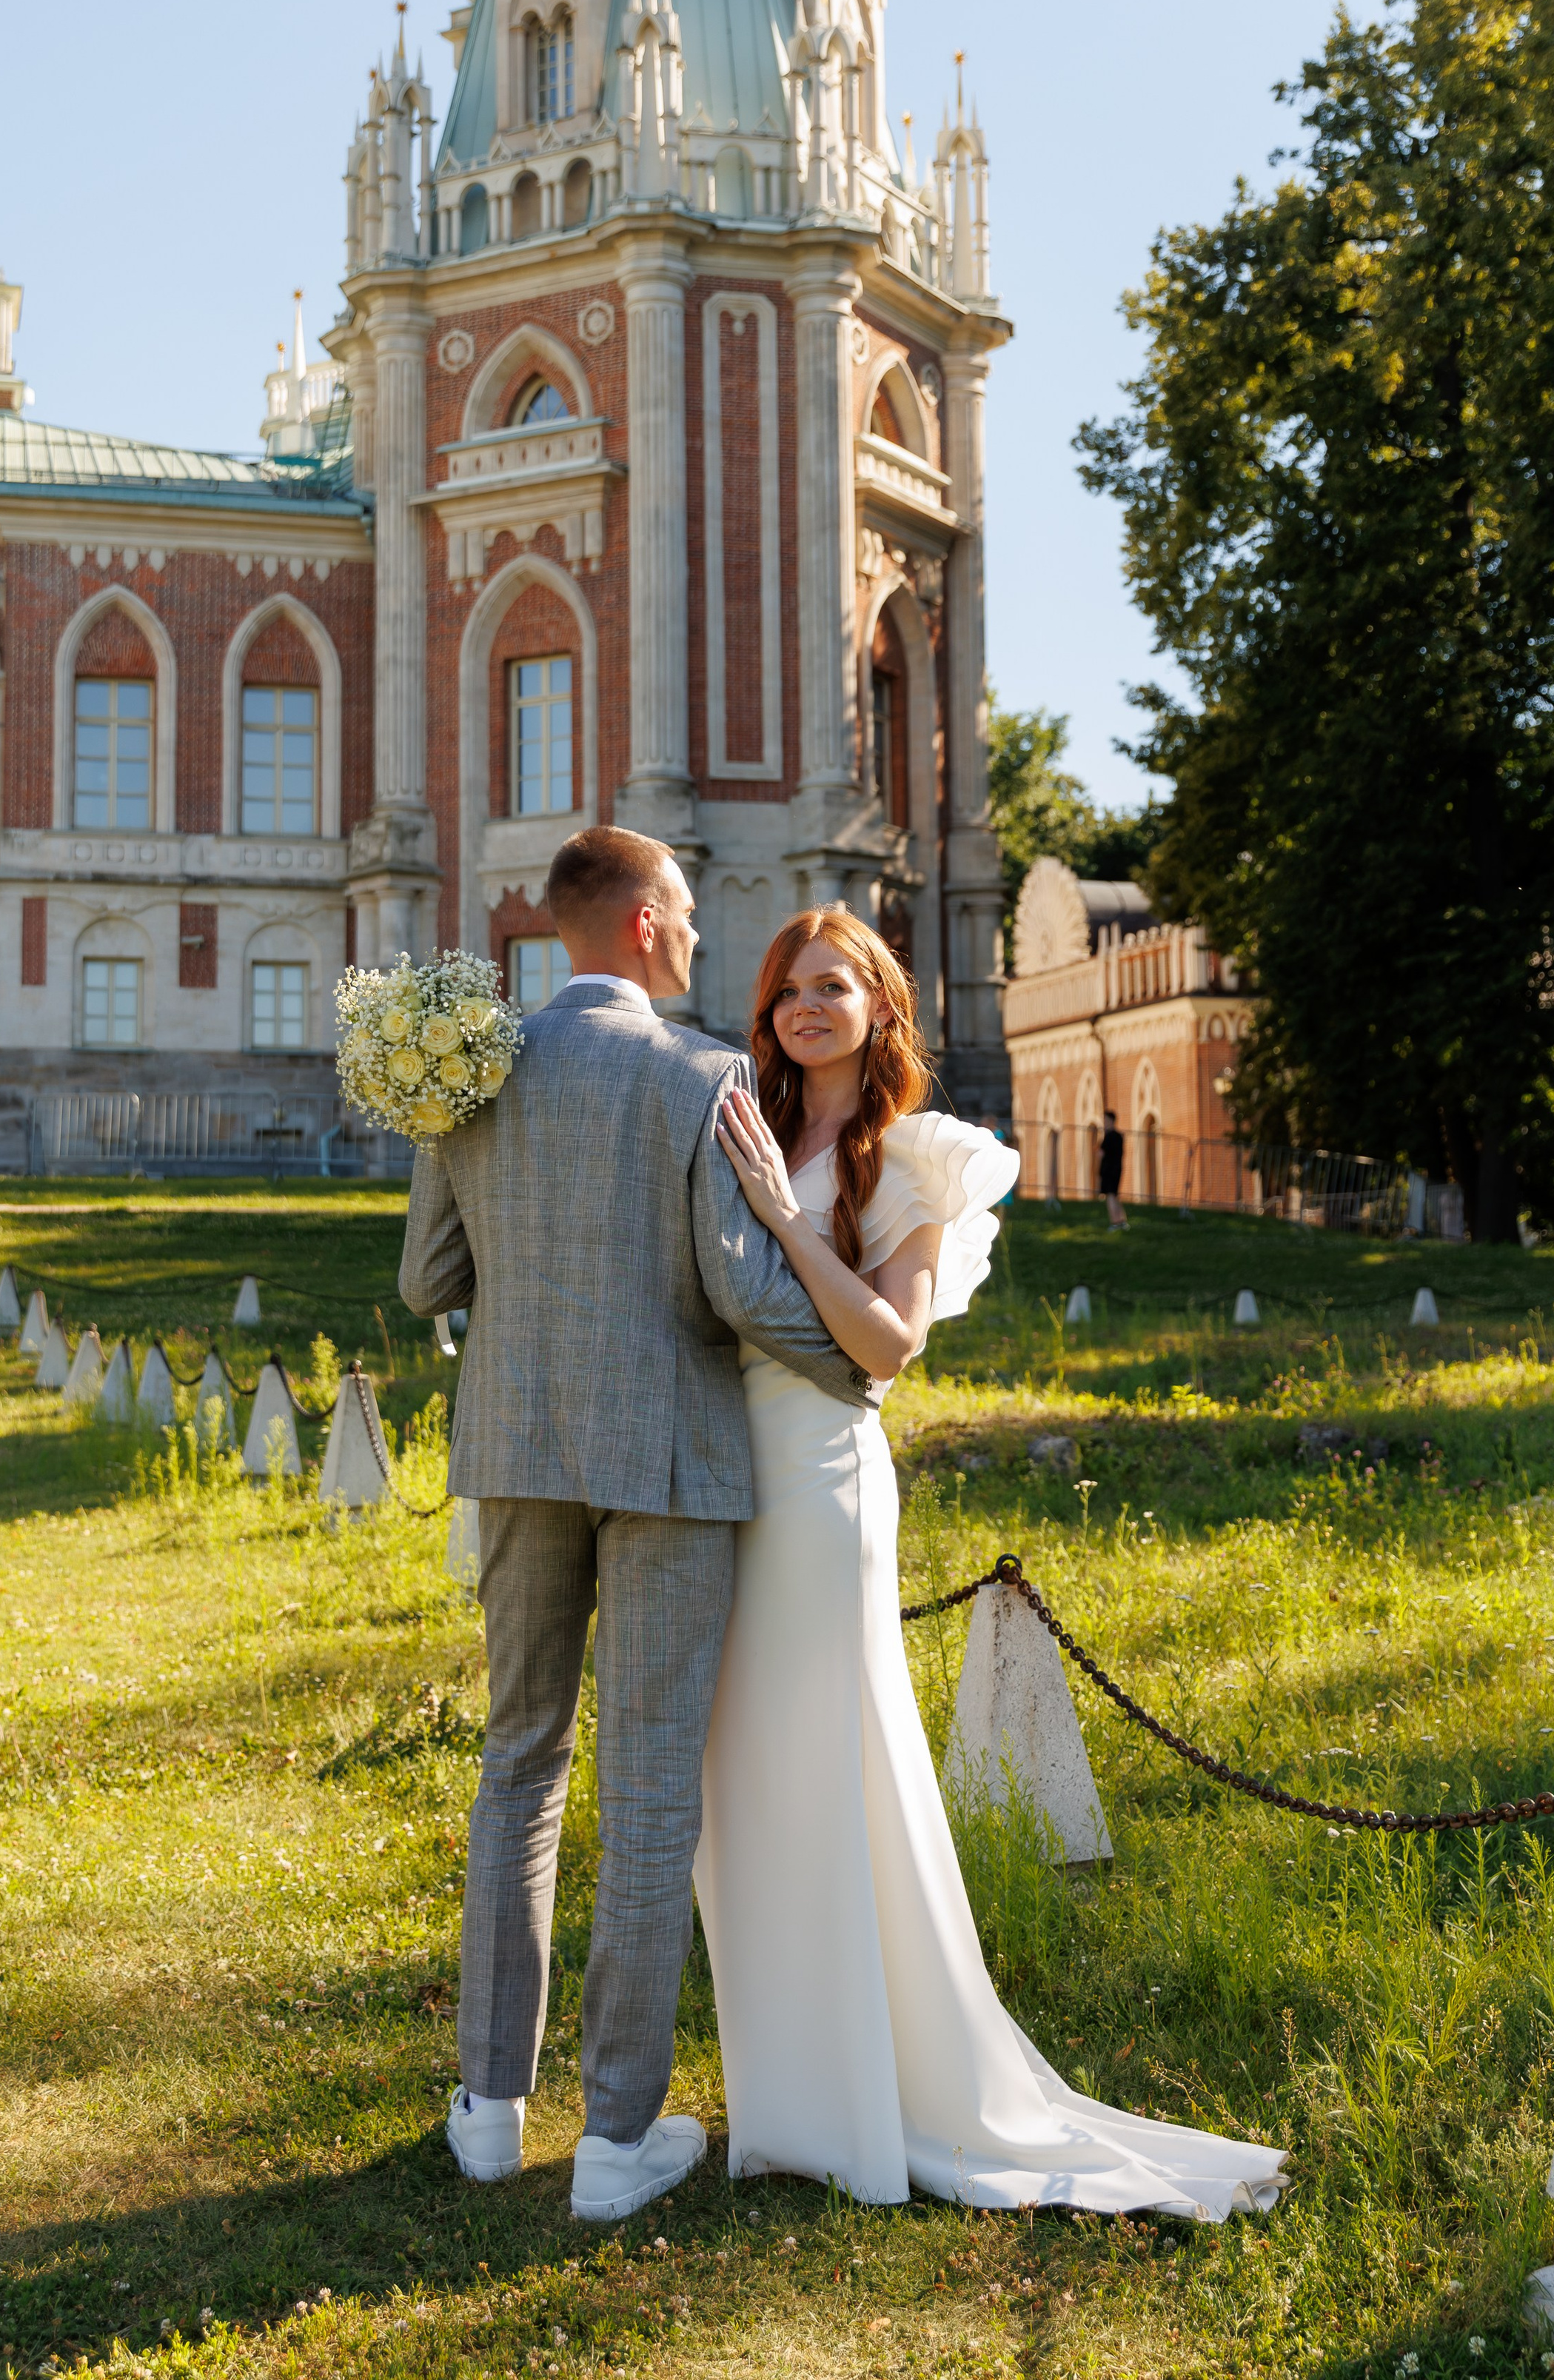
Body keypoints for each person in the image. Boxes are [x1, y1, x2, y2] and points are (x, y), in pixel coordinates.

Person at [701, 907, 1285, 2219]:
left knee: (835, 1770)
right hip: (725, 1481)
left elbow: (887, 1345)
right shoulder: (750, 1123)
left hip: (820, 1483)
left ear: (877, 1004)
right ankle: (789, 2097)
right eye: (789, 987)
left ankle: (880, 2093)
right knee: (748, 1781)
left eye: (832, 986)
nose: (807, 1007)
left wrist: (782, 1225)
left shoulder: (903, 1158)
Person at [398, 827, 872, 2226]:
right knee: (651, 1784)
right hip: (669, 1459)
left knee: (518, 1762)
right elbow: (740, 1292)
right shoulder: (701, 1075)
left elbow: (432, 1280)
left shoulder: (467, 1070)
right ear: (657, 925)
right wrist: (867, 1357)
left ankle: (488, 2111)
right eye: (691, 922)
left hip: (515, 1451)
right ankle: (616, 2137)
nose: (702, 946)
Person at [1099, 1106, 1128, 1230]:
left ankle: (1115, 1222)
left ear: (1110, 1120)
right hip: (1117, 1169)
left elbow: (1101, 1154)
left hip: (1108, 1170)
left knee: (1110, 1196)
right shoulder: (1120, 1136)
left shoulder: (1109, 1136)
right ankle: (1122, 1221)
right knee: (1115, 1196)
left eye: (1105, 1120)